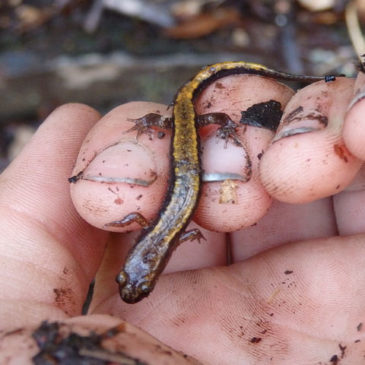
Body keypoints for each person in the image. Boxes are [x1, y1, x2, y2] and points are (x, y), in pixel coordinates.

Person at [1, 71, 365, 364]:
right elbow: (160, 225)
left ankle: (215, 119)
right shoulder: (155, 233)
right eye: (140, 284)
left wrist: (224, 128)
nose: (134, 287)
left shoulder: (167, 237)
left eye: (130, 280)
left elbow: (172, 229)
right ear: (150, 268)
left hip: (185, 141)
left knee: (191, 126)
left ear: (144, 262)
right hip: (183, 155)